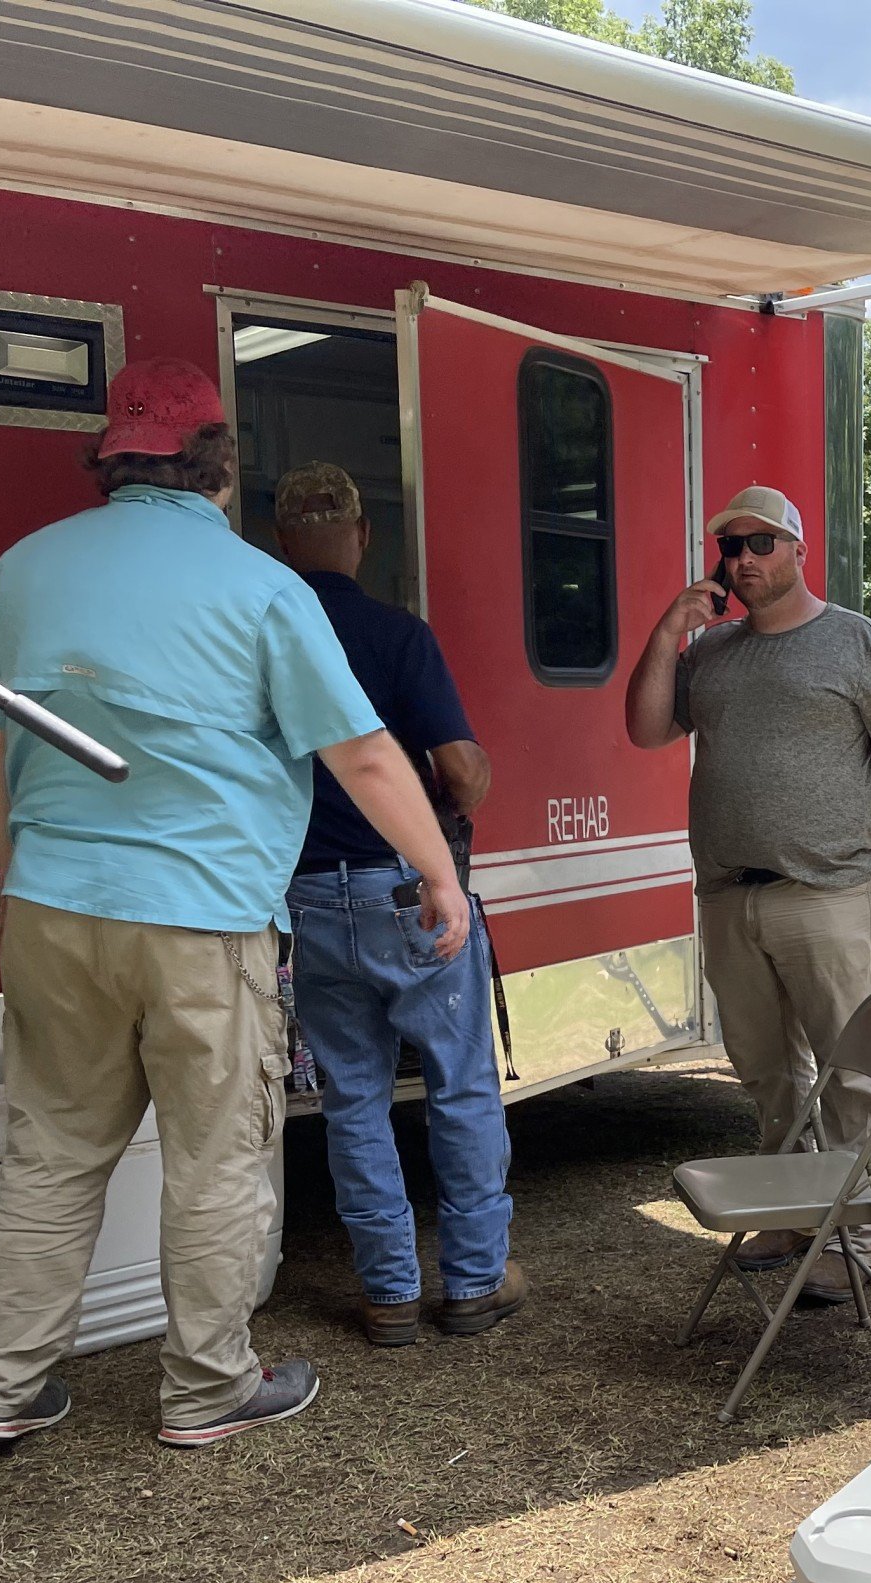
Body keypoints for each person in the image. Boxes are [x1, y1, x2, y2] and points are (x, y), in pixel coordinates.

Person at [0, 359, 469, 1453]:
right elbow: (366, 755)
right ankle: (207, 1388)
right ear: (219, 471)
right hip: (201, 911)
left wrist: (20, 870)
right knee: (216, 1157)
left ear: (109, 460)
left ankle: (1, 1391)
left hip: (50, 903)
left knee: (51, 1152)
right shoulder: (260, 587)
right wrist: (438, 872)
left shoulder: (20, 568)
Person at [625, 485, 871, 1304]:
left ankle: (863, 1239)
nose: (743, 561)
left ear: (799, 549)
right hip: (730, 895)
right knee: (766, 1070)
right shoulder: (714, 652)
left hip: (825, 891)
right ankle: (790, 1212)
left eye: (760, 544)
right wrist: (669, 633)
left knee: (852, 1075)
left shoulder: (851, 641)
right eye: (732, 547)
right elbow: (647, 727)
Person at [271, 462, 521, 1348]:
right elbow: (463, 774)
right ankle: (475, 1282)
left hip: (304, 897)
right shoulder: (395, 635)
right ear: (363, 534)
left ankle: (388, 1296)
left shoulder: (260, 637)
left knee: (353, 1099)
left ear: (281, 539)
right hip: (404, 892)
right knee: (459, 1085)